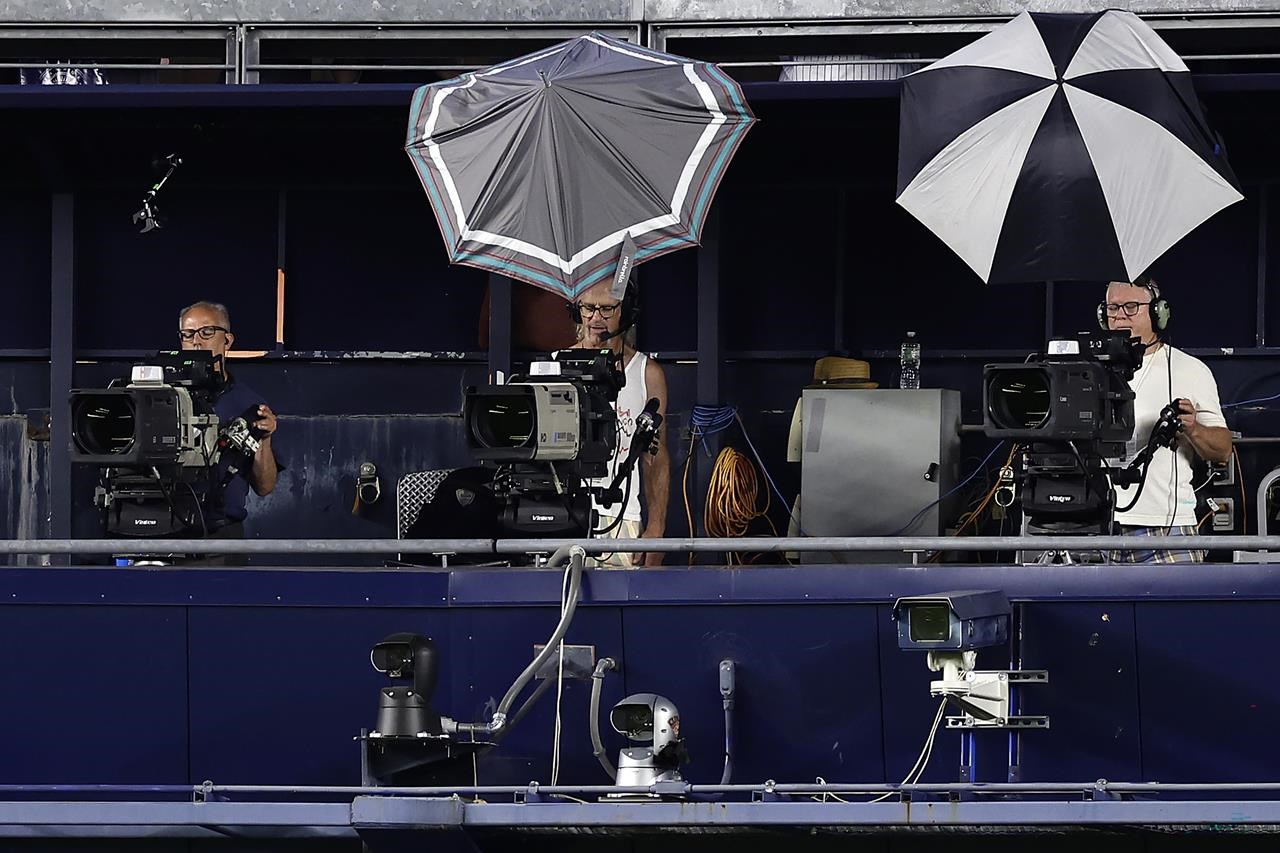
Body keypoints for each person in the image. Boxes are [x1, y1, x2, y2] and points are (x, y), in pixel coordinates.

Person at [1102, 276, 1232, 563]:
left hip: (1166, 530)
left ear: (1158, 312)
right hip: (1092, 527)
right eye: (1112, 308)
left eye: (1131, 306)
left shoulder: (1189, 370)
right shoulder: (1085, 369)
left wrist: (1193, 429)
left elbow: (1222, 449)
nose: (1120, 315)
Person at [570, 280, 670, 567]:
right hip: (564, 517)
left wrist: (656, 528)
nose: (596, 318)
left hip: (622, 518)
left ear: (625, 313)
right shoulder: (554, 365)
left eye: (606, 309)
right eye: (588, 308)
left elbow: (656, 455)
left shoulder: (646, 373)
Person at [178, 301, 280, 558]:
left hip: (221, 538)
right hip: (164, 533)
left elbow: (265, 486)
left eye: (207, 332)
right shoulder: (161, 396)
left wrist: (265, 439)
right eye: (188, 335)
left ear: (228, 340)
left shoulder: (249, 403)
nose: (197, 342)